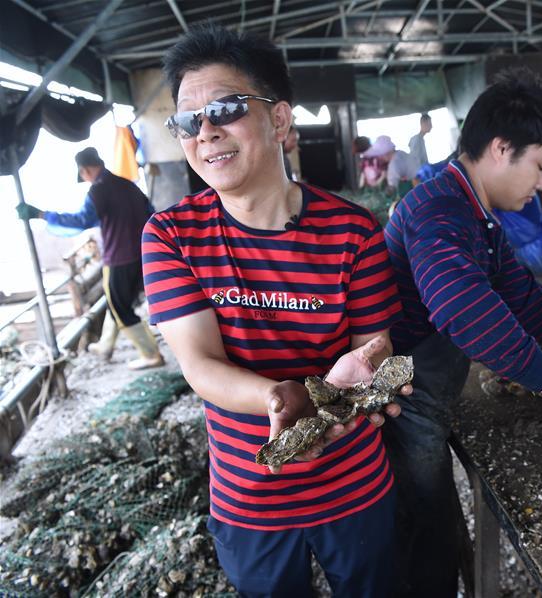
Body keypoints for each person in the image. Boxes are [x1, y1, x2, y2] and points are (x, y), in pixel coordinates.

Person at [142, 24, 409, 597]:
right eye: (189, 120)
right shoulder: (171, 235)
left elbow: (373, 344)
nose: (206, 131)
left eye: (227, 108)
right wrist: (279, 395)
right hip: (248, 497)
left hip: (355, 486)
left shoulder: (353, 230)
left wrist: (364, 378)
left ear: (281, 120)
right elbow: (200, 364)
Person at [382, 68, 542, 598]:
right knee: (424, 528)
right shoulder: (438, 209)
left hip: (428, 394)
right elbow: (463, 310)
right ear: (501, 148)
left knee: (436, 520)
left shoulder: (475, 213)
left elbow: (520, 294)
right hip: (402, 404)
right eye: (541, 166)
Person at [16, 147, 163, 370]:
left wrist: (41, 215)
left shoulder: (98, 191)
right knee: (117, 301)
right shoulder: (127, 185)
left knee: (121, 308)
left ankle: (151, 354)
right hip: (143, 254)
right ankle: (105, 345)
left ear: (85, 171)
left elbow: (81, 221)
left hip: (119, 258)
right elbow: (151, 212)